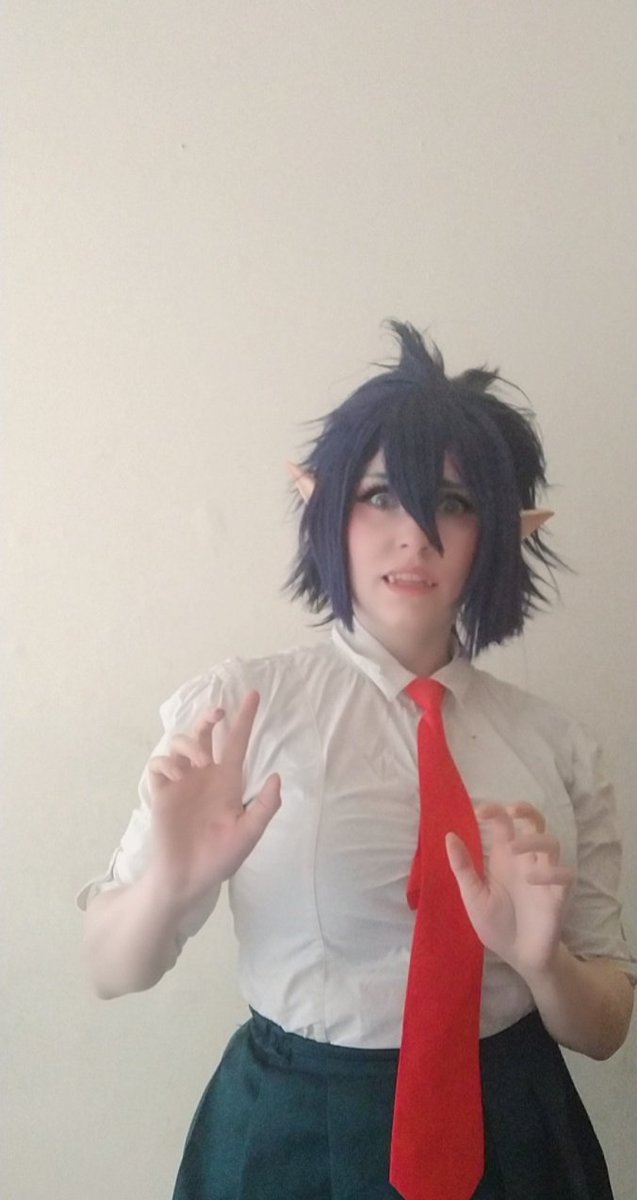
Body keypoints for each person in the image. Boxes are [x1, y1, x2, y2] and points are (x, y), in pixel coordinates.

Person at [79, 322, 635, 1200]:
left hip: (515, 1126)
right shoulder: (239, 711)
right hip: (293, 1130)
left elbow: (604, 1028)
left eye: (453, 503)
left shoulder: (555, 745)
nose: (414, 535)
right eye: (379, 495)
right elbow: (111, 969)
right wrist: (171, 882)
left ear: (502, 534)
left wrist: (540, 961)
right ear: (326, 508)